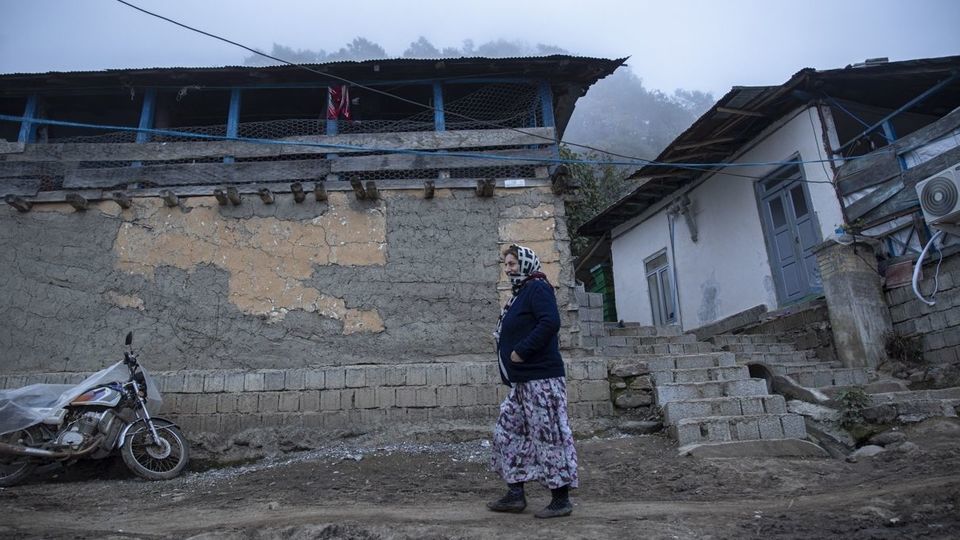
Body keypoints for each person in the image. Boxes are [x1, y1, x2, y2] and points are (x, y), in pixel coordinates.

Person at [488, 244, 578, 519]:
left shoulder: (538, 287)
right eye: (506, 265)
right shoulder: (521, 293)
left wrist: (521, 350)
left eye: (513, 264)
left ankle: (560, 499)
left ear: (527, 263)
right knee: (508, 432)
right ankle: (516, 495)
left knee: (549, 436)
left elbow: (550, 322)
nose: (508, 269)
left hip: (542, 380)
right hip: (522, 383)